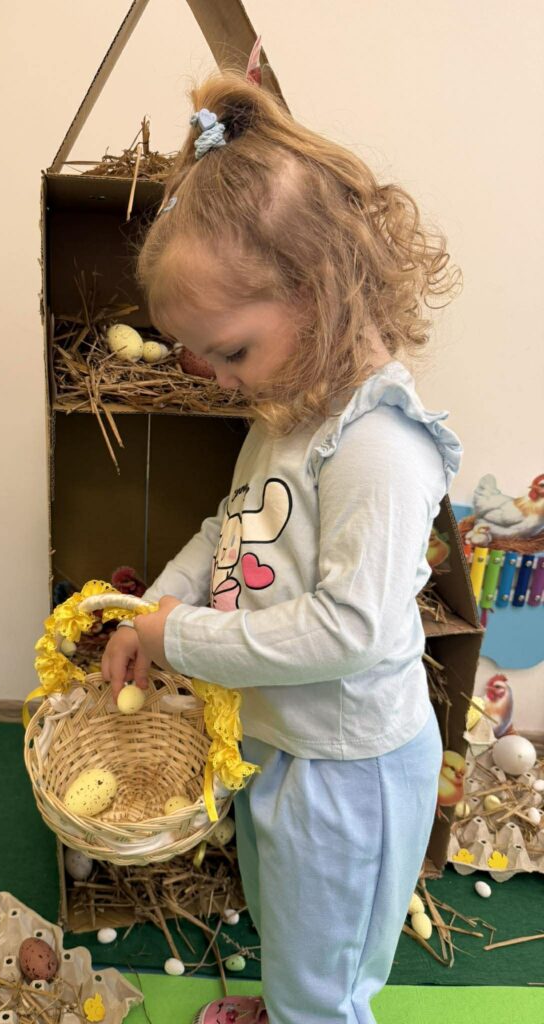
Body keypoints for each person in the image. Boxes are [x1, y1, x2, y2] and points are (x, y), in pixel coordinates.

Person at [101, 70, 462, 1024]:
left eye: (231, 352)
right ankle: (293, 1002)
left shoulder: (379, 444)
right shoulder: (289, 415)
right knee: (288, 920)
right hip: (285, 739)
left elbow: (348, 629)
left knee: (326, 972)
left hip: (349, 771)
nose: (220, 379)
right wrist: (152, 610)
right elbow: (232, 527)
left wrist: (182, 638)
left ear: (320, 288)